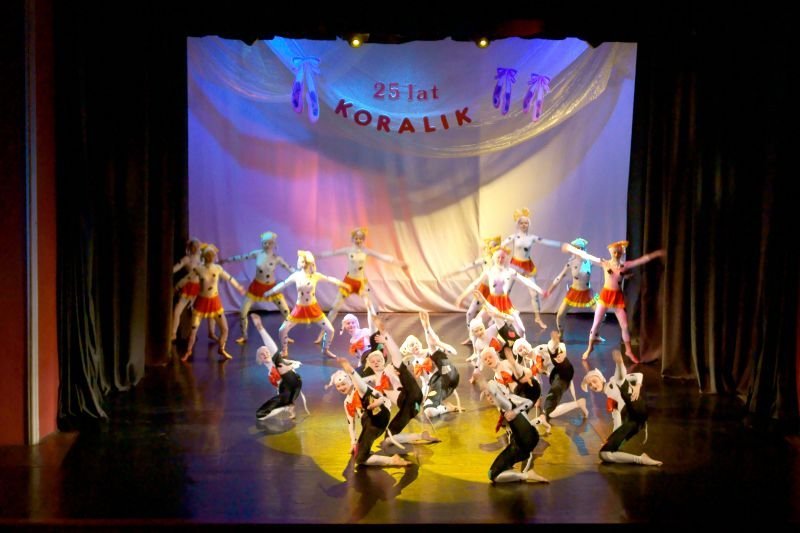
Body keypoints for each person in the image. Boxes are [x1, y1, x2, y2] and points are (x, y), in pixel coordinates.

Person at [560, 240, 664, 362]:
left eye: (618, 252)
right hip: (605, 297)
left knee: (625, 326)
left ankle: (628, 350)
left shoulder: (624, 265)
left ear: (621, 253)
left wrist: (656, 254)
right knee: (596, 324)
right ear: (611, 252)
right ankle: (589, 348)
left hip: (617, 298)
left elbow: (641, 260)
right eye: (614, 252)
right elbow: (587, 256)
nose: (616, 255)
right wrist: (571, 249)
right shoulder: (605, 263)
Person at [313, 227, 408, 343]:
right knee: (334, 309)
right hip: (348, 282)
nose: (358, 240)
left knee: (371, 309)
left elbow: (383, 257)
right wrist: (315, 256)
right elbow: (332, 253)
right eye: (356, 238)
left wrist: (399, 263)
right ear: (352, 239)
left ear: (363, 239)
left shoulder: (366, 251)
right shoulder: (348, 250)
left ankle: (372, 336)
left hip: (361, 283)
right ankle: (322, 334)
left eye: (361, 238)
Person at [262, 250, 352, 359]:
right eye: (300, 261)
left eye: (303, 261)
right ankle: (284, 350)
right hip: (299, 309)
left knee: (330, 330)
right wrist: (269, 292)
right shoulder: (296, 276)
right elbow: (283, 284)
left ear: (309, 262)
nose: (301, 263)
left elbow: (329, 279)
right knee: (282, 330)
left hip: (313, 308)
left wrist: (344, 285)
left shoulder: (315, 276)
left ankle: (325, 350)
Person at [580, 350, 663, 466]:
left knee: (618, 380)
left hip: (637, 408)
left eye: (594, 381)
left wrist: (637, 386)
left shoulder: (613, 382)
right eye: (590, 385)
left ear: (601, 379)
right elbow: (617, 419)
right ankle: (641, 459)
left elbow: (637, 375)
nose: (593, 385)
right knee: (604, 454)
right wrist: (612, 440)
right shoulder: (610, 400)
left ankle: (619, 364)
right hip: (634, 422)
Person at [327, 359, 412, 467]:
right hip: (370, 426)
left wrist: (379, 402)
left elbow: (378, 396)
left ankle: (354, 376)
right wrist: (353, 442)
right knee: (359, 459)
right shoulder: (347, 402)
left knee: (362, 392)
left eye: (343, 384)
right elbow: (351, 423)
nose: (341, 388)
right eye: (338, 386)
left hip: (380, 414)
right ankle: (393, 460)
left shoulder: (360, 389)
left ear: (350, 381)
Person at [218, 231, 294, 344]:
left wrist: (300, 273)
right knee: (243, 312)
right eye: (264, 243)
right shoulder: (257, 254)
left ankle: (285, 335)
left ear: (273, 244)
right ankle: (244, 335)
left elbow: (289, 268)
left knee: (286, 311)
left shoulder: (277, 258)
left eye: (269, 243)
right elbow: (242, 257)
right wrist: (227, 260)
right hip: (256, 288)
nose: (266, 245)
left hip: (271, 289)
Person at [455, 247, 542, 341]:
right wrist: (462, 296)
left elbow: (525, 280)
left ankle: (521, 345)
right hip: (492, 302)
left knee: (521, 330)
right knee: (476, 324)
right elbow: (475, 284)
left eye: (502, 257)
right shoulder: (489, 271)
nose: (500, 260)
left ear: (506, 258)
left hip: (505, 303)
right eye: (498, 257)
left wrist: (540, 290)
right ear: (494, 257)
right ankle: (475, 345)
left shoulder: (510, 271)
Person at [181, 244, 246, 362]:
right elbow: (187, 279)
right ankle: (188, 351)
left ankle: (221, 348)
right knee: (193, 331)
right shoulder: (199, 269)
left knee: (225, 329)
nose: (210, 257)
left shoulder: (217, 269)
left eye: (212, 255)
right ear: (204, 256)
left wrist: (239, 287)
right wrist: (177, 286)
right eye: (208, 255)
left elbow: (229, 278)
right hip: (201, 304)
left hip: (215, 303)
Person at [477, 376, 549, 484]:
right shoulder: (503, 405)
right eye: (488, 395)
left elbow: (529, 403)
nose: (490, 397)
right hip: (520, 443)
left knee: (493, 475)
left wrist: (515, 412)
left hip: (525, 441)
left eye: (492, 394)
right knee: (492, 474)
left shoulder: (508, 401)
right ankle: (524, 471)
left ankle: (526, 474)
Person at [501, 207, 564, 330]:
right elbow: (502, 245)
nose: (524, 225)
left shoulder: (532, 238)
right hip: (514, 266)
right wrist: (502, 251)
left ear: (529, 224)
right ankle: (501, 314)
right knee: (505, 291)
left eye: (526, 223)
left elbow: (546, 241)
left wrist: (560, 245)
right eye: (521, 223)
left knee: (534, 294)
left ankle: (538, 318)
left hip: (527, 267)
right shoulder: (514, 237)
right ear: (518, 224)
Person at [514, 331, 588, 431]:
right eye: (520, 350)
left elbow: (553, 348)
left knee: (550, 409)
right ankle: (578, 403)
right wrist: (539, 399)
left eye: (523, 347)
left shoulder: (540, 350)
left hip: (561, 371)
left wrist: (556, 343)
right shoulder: (532, 365)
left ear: (527, 345)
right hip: (557, 379)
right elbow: (539, 381)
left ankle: (578, 403)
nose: (523, 350)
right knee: (550, 411)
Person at [398, 311, 463, 419]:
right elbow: (425, 382)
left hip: (445, 378)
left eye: (416, 343)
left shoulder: (431, 351)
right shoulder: (415, 362)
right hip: (434, 386)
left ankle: (441, 404)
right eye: (411, 345)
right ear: (409, 350)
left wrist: (428, 330)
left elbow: (453, 352)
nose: (415, 346)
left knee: (434, 352)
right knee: (428, 411)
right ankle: (446, 408)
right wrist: (423, 396)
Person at [543, 237, 604, 341]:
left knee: (602, 315)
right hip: (574, 293)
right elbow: (559, 277)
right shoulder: (571, 263)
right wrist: (549, 290)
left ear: (584, 249)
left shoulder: (589, 261)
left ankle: (596, 334)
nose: (579, 251)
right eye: (577, 248)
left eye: (581, 248)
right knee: (560, 315)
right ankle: (561, 334)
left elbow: (604, 264)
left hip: (587, 293)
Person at [446, 235, 502, 344]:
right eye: (490, 247)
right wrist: (455, 273)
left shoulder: (500, 264)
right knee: (470, 313)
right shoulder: (485, 261)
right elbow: (471, 272)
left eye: (495, 246)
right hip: (483, 290)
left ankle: (491, 340)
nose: (492, 249)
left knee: (492, 321)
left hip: (494, 294)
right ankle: (472, 337)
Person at [251, 313, 307, 421]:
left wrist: (260, 328)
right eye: (262, 354)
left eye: (267, 352)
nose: (265, 355)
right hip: (288, 391)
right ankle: (287, 404)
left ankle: (261, 329)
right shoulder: (270, 375)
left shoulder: (277, 361)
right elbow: (279, 389)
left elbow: (296, 364)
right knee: (261, 414)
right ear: (260, 359)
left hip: (294, 381)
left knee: (278, 362)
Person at [171, 237, 217, 342]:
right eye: (193, 246)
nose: (195, 248)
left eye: (197, 245)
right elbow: (176, 268)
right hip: (189, 287)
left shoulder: (203, 258)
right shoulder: (187, 259)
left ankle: (211, 332)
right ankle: (173, 333)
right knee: (177, 310)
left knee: (211, 310)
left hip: (201, 288)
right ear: (190, 247)